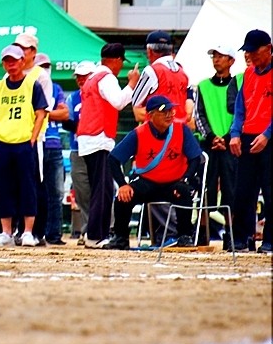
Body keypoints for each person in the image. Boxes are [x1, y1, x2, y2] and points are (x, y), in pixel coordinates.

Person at [103, 96, 202, 250]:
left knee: (183, 192)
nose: (169, 115)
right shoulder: (138, 133)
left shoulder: (181, 130)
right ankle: (120, 237)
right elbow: (113, 158)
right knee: (123, 196)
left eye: (171, 111)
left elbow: (195, 157)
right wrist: (122, 184)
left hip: (174, 182)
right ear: (150, 115)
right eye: (163, 111)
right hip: (147, 182)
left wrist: (186, 179)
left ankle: (184, 235)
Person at [77, 43, 140, 248]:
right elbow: (118, 102)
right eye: (121, 62)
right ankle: (96, 235)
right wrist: (132, 84)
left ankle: (95, 234)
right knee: (102, 189)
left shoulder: (92, 78)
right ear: (116, 60)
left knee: (99, 188)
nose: (121, 67)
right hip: (99, 137)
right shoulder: (106, 77)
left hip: (87, 137)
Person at [0, 45, 48, 247]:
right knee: (3, 187)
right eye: (7, 61)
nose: (10, 64)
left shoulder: (32, 85)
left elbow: (41, 113)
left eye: (14, 60)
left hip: (24, 142)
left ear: (23, 61)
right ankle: (6, 232)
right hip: (3, 143)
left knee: (28, 187)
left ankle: (28, 232)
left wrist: (33, 138)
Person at [229, 29, 271, 253]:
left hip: (268, 138)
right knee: (243, 191)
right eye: (248, 51)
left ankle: (269, 240)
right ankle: (241, 238)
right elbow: (240, 108)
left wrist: (267, 135)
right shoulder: (248, 74)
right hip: (248, 136)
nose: (250, 55)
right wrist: (235, 133)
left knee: (270, 191)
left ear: (268, 49)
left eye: (255, 51)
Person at [194, 44, 238, 248]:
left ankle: (231, 235)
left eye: (221, 56)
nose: (216, 59)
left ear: (231, 61)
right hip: (209, 146)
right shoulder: (203, 86)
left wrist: (227, 138)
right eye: (214, 56)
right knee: (205, 189)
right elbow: (199, 115)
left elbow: (240, 114)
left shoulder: (238, 85)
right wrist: (212, 137)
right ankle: (202, 233)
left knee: (231, 190)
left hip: (231, 145)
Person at [34, 53, 69, 245]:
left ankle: (54, 234)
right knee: (36, 191)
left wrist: (44, 113)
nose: (45, 69)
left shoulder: (56, 88)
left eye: (47, 65)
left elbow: (65, 114)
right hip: (36, 142)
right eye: (41, 66)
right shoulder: (29, 86)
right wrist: (51, 113)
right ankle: (35, 232)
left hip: (54, 144)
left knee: (56, 192)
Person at [62, 61, 96, 245]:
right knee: (82, 192)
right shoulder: (73, 98)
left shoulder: (101, 95)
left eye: (85, 76)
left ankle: (105, 227)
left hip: (98, 148)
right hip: (78, 148)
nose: (81, 80)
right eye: (79, 77)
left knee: (100, 190)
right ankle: (87, 229)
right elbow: (67, 120)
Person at [132, 30, 190, 123]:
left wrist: (133, 82)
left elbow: (136, 103)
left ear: (149, 51)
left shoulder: (151, 71)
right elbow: (189, 108)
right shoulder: (182, 71)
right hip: (180, 129)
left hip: (159, 128)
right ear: (171, 49)